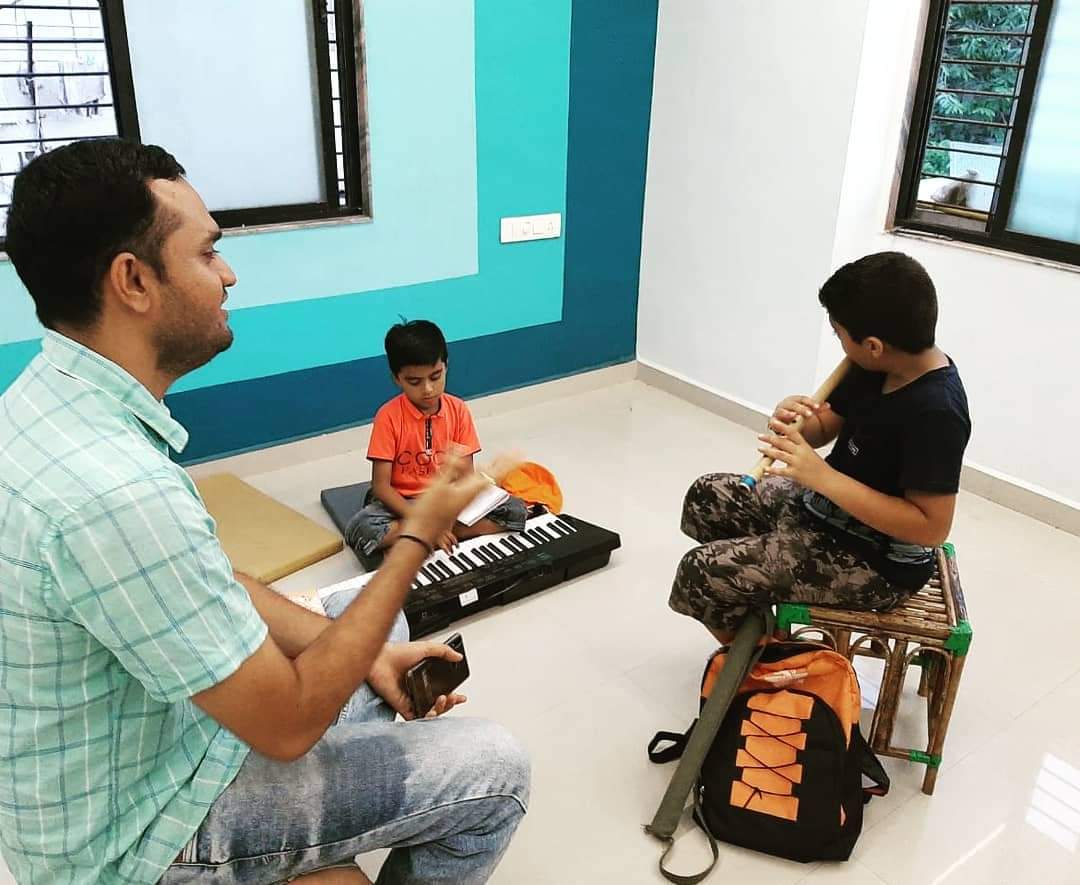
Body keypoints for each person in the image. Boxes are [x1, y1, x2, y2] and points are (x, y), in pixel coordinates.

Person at [0, 139, 529, 885]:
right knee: (496, 767)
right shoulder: (117, 490)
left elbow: (208, 581)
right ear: (133, 281)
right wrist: (418, 529)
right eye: (208, 252)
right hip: (140, 837)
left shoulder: (50, 400)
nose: (228, 274)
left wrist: (368, 655)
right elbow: (288, 724)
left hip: (148, 744)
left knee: (376, 631)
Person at [670, 251, 972, 642]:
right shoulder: (876, 365)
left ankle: (772, 660)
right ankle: (756, 608)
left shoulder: (938, 411)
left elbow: (931, 528)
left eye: (839, 333)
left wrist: (823, 477)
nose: (839, 342)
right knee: (705, 497)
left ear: (873, 345)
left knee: (699, 573)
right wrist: (791, 422)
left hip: (875, 561)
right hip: (823, 509)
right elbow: (824, 427)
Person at [344, 320, 528, 569]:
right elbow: (381, 487)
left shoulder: (458, 410)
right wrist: (423, 522)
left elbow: (465, 477)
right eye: (414, 382)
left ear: (446, 366)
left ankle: (422, 535)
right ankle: (432, 532)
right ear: (396, 378)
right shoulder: (388, 416)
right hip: (404, 502)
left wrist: (445, 518)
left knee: (516, 510)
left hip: (447, 501)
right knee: (361, 529)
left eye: (435, 376)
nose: (428, 389)